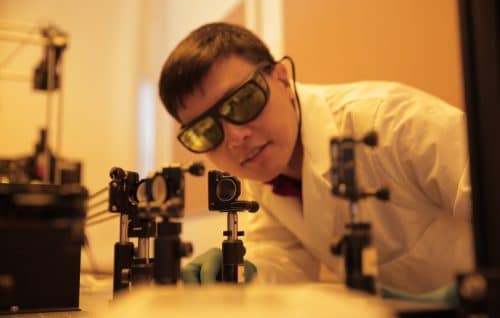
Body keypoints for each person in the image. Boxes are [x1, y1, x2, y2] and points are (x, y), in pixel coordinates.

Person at [158, 22, 474, 295]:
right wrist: (243, 271)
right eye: (205, 131)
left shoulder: (390, 120)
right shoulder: (263, 174)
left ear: (281, 78)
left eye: (243, 101)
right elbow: (282, 256)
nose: (235, 138)